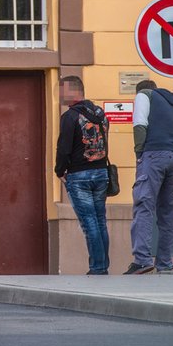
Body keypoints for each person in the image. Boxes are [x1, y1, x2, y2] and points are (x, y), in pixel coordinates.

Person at [126, 80, 173, 274]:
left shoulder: (144, 95)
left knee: (144, 206)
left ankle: (142, 260)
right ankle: (164, 263)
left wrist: (139, 156)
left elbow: (140, 124)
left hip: (153, 155)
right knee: (169, 213)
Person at [54, 76, 111, 275]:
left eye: (61, 90)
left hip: (80, 175)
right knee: (100, 220)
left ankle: (98, 268)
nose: (59, 94)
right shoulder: (100, 114)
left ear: (72, 91)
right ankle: (103, 265)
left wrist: (59, 171)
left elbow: (63, 148)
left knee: (89, 222)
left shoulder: (70, 117)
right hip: (101, 172)